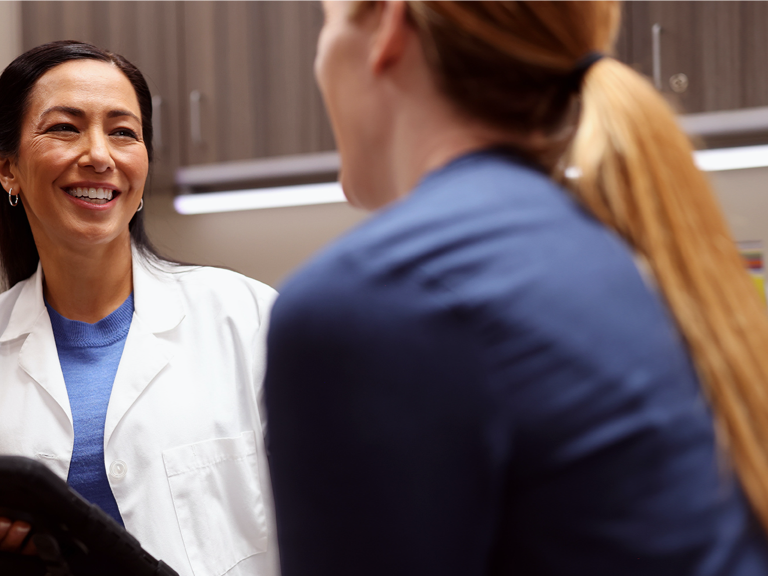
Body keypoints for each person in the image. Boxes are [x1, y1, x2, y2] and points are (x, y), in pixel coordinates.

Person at [263, 0, 768, 574]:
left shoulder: (372, 300)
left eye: (327, 25)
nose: (321, 60)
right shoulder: (613, 253)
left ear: (387, 28)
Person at [0, 41, 279, 576]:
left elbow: (333, 512)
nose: (99, 155)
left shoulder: (248, 318)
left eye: (122, 131)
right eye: (65, 127)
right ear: (7, 167)